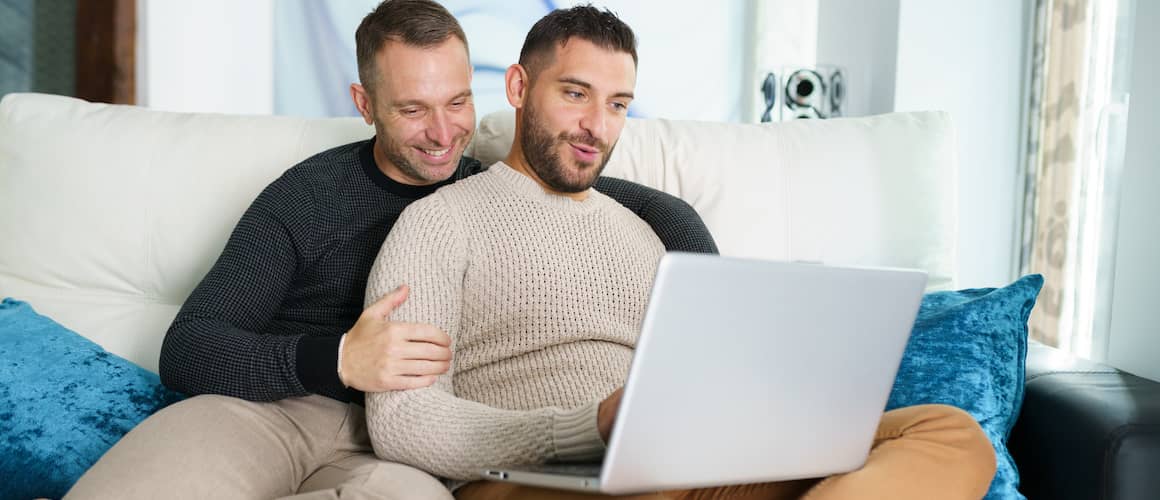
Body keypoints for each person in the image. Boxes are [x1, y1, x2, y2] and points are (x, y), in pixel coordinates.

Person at [65, 1, 716, 498]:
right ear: (365, 103)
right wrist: (340, 357)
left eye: (458, 102)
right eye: (412, 110)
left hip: (387, 446)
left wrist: (704, 273)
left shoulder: (477, 179)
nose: (442, 134)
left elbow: (596, 181)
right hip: (273, 409)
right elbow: (190, 345)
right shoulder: (310, 196)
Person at [361, 5, 998, 500]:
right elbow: (403, 421)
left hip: (687, 468)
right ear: (521, 86)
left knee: (949, 432)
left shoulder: (648, 232)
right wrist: (586, 427)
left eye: (618, 105)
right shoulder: (438, 223)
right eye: (576, 94)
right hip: (538, 479)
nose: (597, 127)